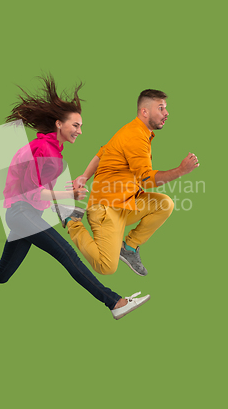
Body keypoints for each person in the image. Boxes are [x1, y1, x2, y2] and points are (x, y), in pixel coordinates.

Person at [0, 75, 151, 320]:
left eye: (81, 126)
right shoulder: (44, 149)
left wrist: (66, 204)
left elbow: (38, 193)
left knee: (1, 274)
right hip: (21, 213)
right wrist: (70, 194)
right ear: (58, 124)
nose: (80, 131)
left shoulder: (51, 150)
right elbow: (32, 192)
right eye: (75, 125)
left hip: (25, 214)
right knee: (68, 256)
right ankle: (115, 302)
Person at [52, 89, 199, 276]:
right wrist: (180, 171)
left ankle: (128, 249)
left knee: (164, 204)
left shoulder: (134, 130)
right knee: (106, 267)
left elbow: (102, 152)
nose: (166, 113)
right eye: (161, 108)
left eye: (165, 108)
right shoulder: (135, 136)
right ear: (144, 112)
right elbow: (147, 179)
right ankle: (71, 219)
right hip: (106, 208)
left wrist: (83, 176)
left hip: (126, 203)